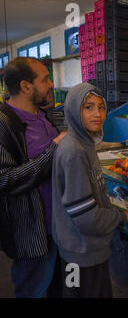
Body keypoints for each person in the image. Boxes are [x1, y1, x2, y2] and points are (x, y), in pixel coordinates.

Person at [51, 83, 128, 298]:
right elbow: (86, 217)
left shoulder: (84, 143)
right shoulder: (74, 151)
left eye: (101, 107)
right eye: (88, 107)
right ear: (74, 110)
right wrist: (121, 216)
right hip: (81, 255)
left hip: (80, 250)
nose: (98, 114)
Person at [0, 57, 66, 297]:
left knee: (59, 288)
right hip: (32, 232)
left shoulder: (41, 115)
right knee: (33, 290)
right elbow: (4, 180)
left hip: (58, 227)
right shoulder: (3, 123)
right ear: (26, 86)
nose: (51, 84)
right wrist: (55, 149)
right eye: (45, 79)